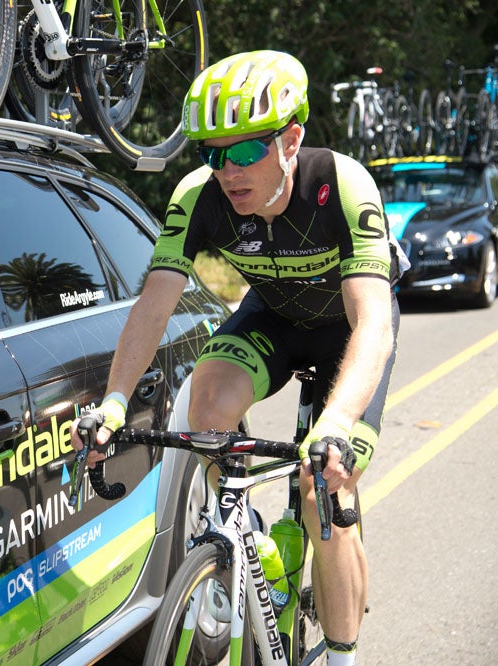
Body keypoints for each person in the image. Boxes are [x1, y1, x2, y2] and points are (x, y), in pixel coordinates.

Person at [71, 50, 403, 665]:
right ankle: (239, 542)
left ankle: (342, 654)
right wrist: (114, 402)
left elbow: (373, 323)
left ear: (291, 139)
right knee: (208, 400)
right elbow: (153, 305)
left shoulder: (342, 183)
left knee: (323, 488)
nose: (228, 170)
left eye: (245, 150)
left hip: (346, 333)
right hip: (274, 317)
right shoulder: (198, 197)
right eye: (212, 153)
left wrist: (334, 425)